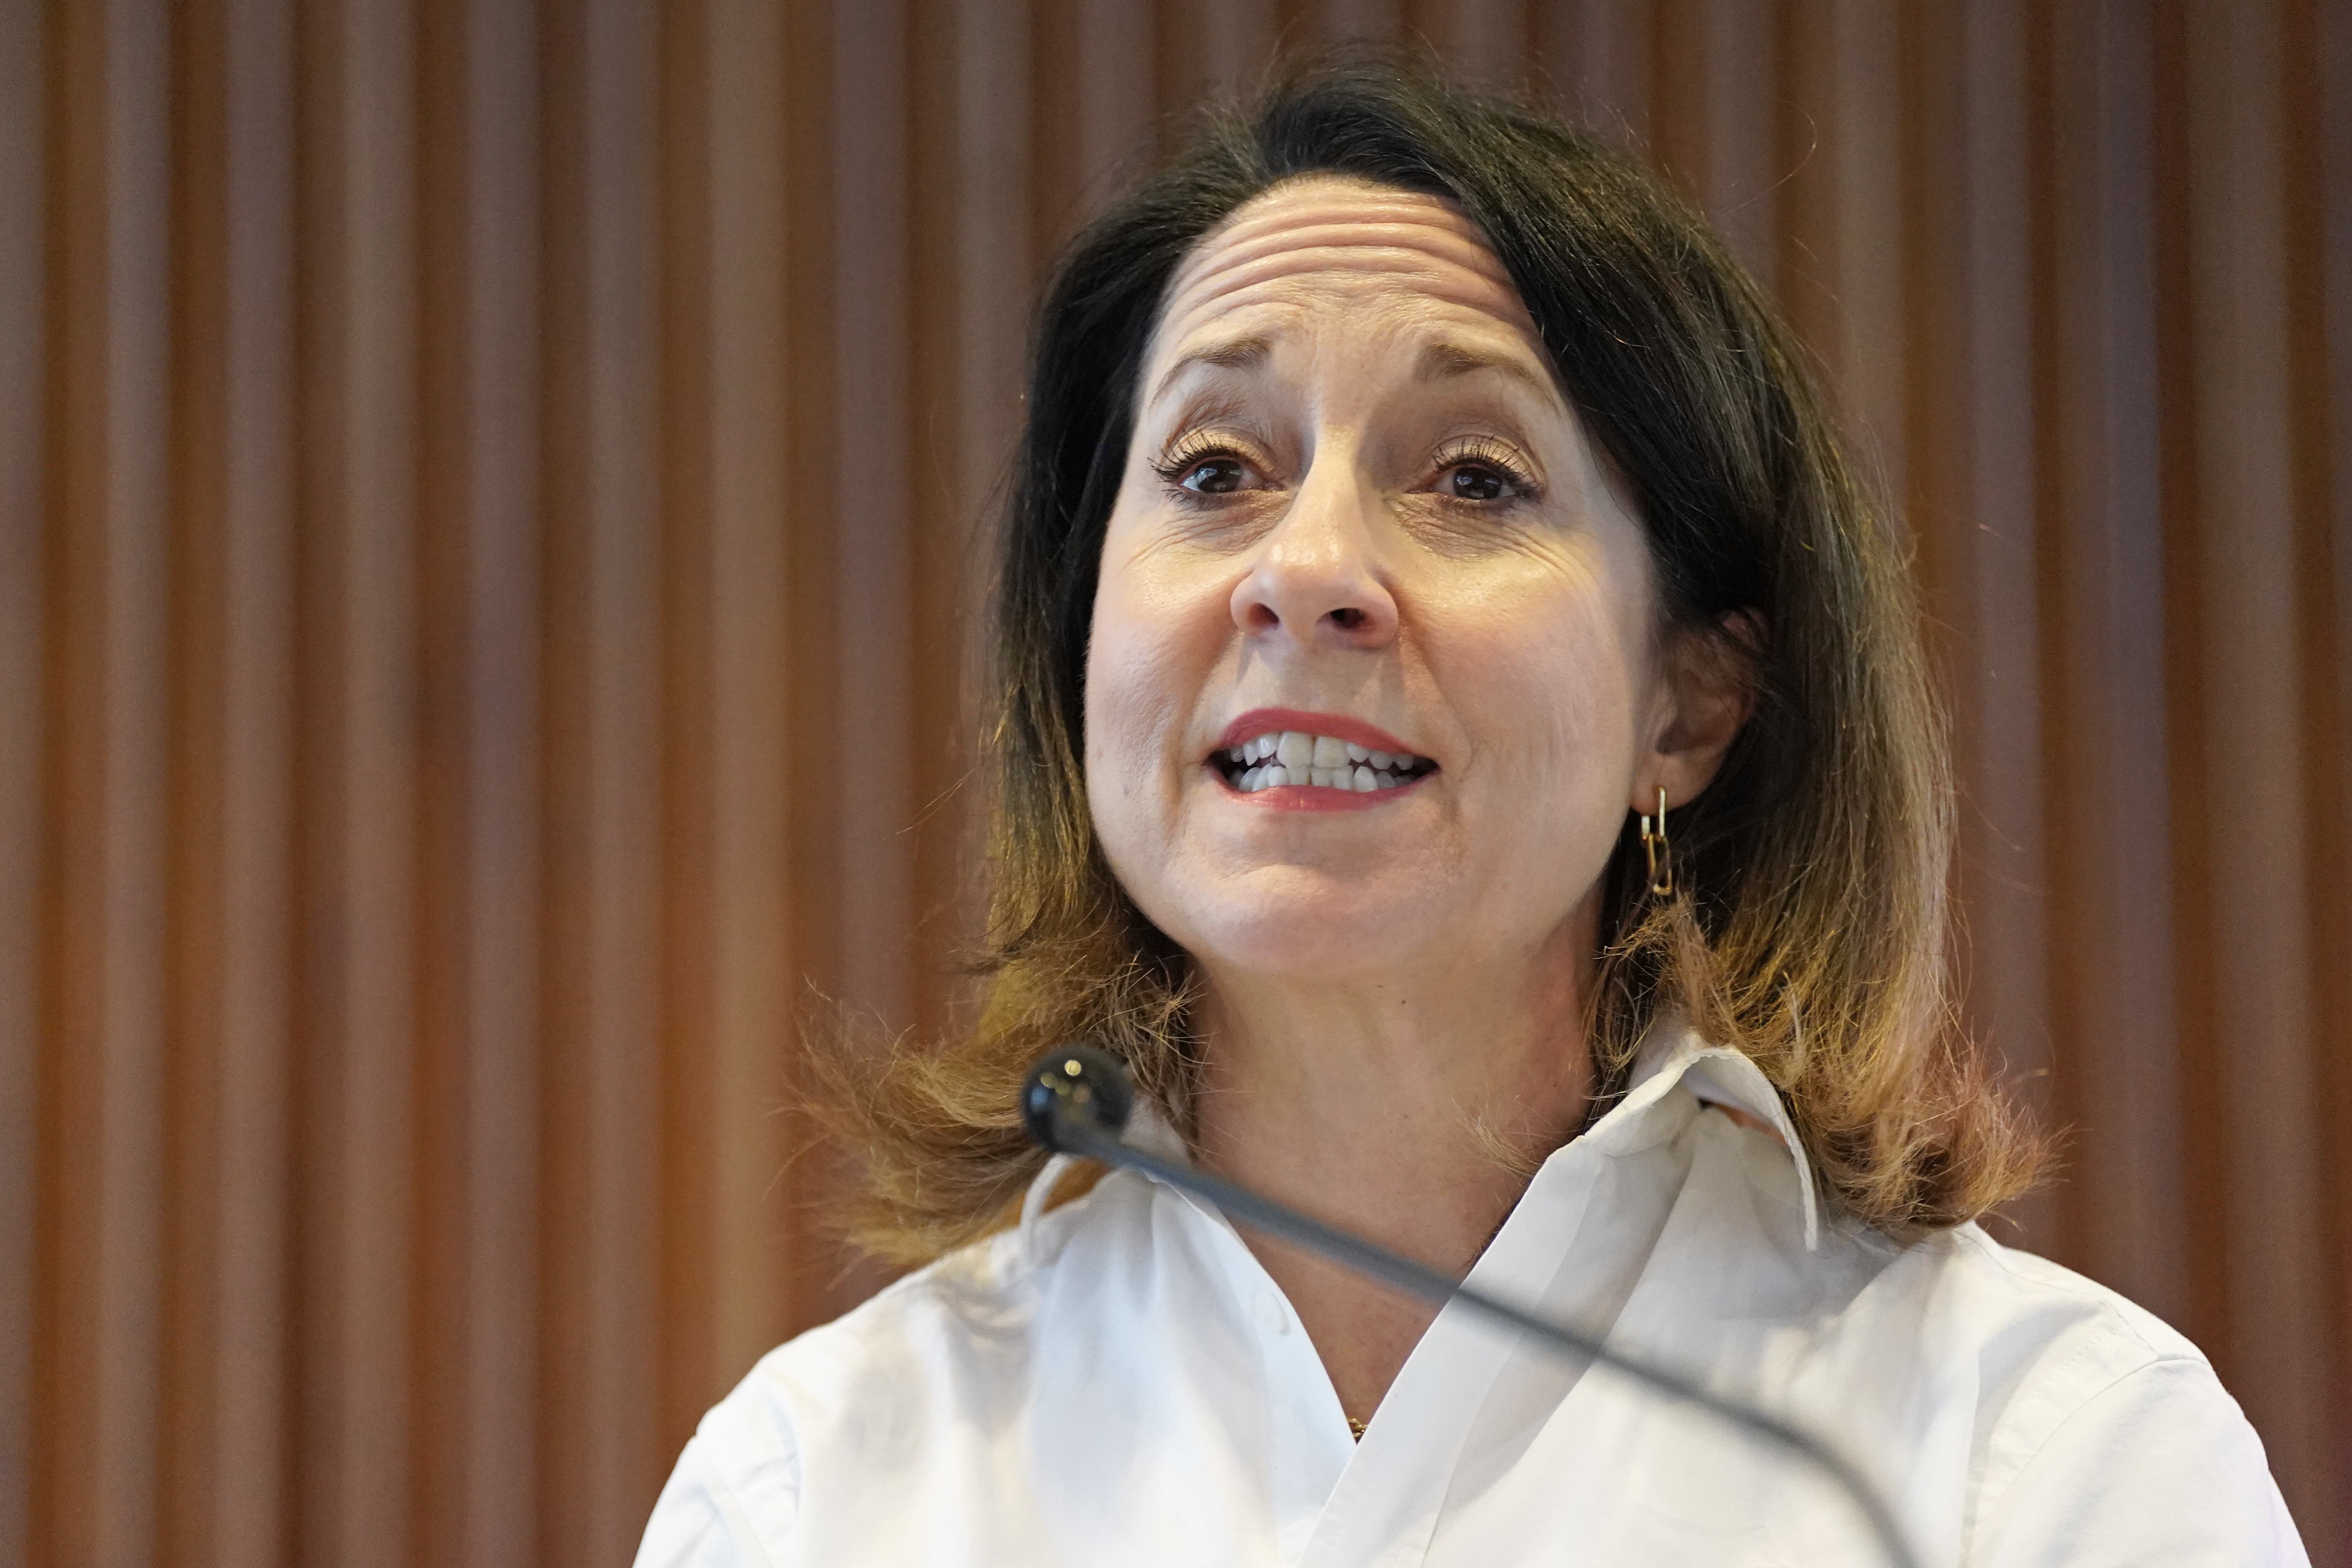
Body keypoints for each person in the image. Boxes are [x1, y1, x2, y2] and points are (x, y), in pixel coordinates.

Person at [635, 61, 2306, 1567]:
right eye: (1214, 468)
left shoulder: (2036, 1466)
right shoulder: (822, 1494)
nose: (1303, 573)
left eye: (1472, 478)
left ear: (1686, 703)